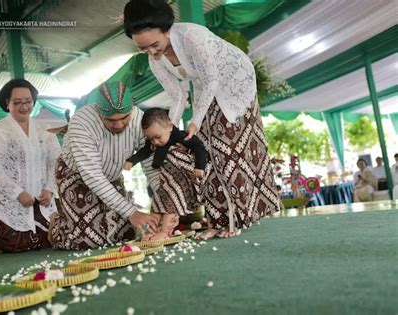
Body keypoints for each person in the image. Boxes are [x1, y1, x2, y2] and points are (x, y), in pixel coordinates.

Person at [123, 0, 281, 239]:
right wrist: (171, 130)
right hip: (206, 90)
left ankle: (236, 220)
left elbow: (211, 80)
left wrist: (195, 121)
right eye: (143, 49)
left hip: (234, 82)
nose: (151, 52)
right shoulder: (154, 59)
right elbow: (177, 95)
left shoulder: (191, 37)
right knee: (205, 154)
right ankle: (217, 222)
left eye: (154, 45)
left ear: (167, 29)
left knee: (228, 151)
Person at [49, 81, 160, 250]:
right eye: (110, 120)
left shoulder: (140, 119)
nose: (118, 125)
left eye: (124, 118)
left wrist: (161, 204)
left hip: (112, 176)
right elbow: (93, 177)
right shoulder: (81, 123)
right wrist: (132, 213)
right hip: (76, 176)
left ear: (131, 109)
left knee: (124, 235)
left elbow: (150, 165)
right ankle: (58, 225)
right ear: (98, 111)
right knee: (89, 241)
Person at [0, 79, 60, 253]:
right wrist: (17, 193)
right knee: (18, 245)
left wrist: (49, 189)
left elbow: (55, 162)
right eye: (17, 102)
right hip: (9, 201)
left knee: (56, 239)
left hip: (41, 200)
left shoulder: (44, 129)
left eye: (28, 101)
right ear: (7, 103)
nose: (24, 106)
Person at [123, 108, 209, 240]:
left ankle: (164, 232)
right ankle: (149, 231)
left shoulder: (181, 137)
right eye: (150, 139)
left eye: (157, 137)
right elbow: (144, 151)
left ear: (169, 127)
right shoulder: (153, 143)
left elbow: (199, 147)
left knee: (170, 204)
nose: (155, 142)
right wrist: (131, 161)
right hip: (166, 179)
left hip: (183, 178)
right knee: (157, 205)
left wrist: (200, 166)